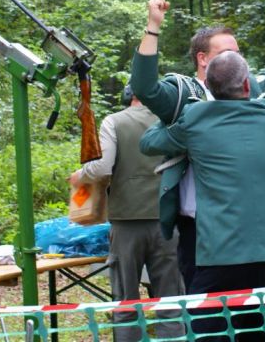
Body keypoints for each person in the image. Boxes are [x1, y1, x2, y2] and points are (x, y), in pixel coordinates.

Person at [130, 0, 265, 288]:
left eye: (238, 53)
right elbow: (144, 88)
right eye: (227, 53)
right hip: (200, 226)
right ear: (203, 59)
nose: (236, 59)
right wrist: (153, 26)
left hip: (254, 224)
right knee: (210, 305)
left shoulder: (252, 88)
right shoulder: (183, 94)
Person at [140, 51, 265, 341]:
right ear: (247, 85)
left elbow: (148, 143)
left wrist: (174, 114)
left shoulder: (194, 118)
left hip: (222, 252)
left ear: (208, 88)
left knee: (211, 333)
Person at [69, 85, 184, 342]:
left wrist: (80, 175)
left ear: (129, 95)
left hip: (126, 223)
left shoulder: (114, 121)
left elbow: (102, 167)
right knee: (171, 301)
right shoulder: (171, 122)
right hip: (166, 220)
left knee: (125, 302)